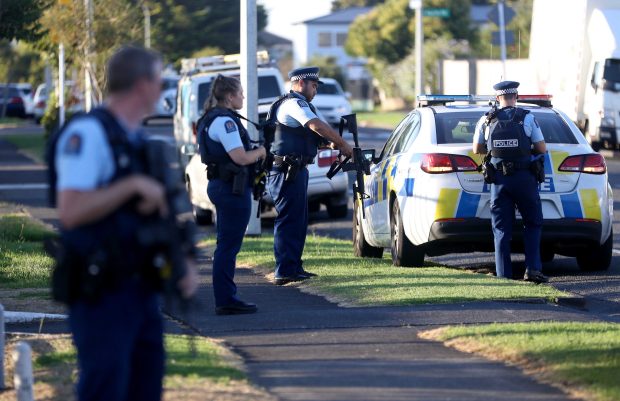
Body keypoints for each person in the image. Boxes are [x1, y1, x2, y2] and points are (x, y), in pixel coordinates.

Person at [53, 46, 199, 401]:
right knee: (106, 386)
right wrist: (131, 187)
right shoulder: (88, 134)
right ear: (142, 84)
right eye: (160, 80)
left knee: (144, 387)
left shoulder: (135, 139)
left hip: (141, 287)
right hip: (101, 289)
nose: (163, 89)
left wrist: (183, 261)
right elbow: (70, 210)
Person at [266, 67, 353, 286]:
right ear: (301, 83)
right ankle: (284, 270)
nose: (315, 90)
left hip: (295, 170)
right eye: (314, 86)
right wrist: (343, 144)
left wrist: (328, 143)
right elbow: (316, 125)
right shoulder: (293, 104)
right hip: (287, 172)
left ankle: (293, 267)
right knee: (289, 220)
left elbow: (310, 134)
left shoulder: (298, 104)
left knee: (297, 220)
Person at [199, 75, 265, 315]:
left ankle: (227, 296)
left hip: (225, 187)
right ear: (229, 96)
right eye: (240, 93)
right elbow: (240, 157)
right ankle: (226, 299)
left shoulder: (213, 118)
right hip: (230, 189)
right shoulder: (224, 122)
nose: (243, 97)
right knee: (228, 246)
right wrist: (261, 151)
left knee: (226, 245)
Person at [473, 80, 549, 284]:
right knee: (532, 223)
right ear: (516, 97)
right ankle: (532, 269)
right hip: (525, 179)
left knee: (500, 229)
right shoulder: (528, 118)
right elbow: (542, 149)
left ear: (498, 98)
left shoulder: (486, 120)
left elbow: (476, 149)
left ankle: (503, 276)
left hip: (499, 181)